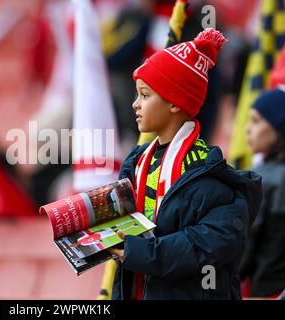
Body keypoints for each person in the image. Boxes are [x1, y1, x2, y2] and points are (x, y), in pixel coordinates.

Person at [107, 28, 262, 300]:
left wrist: (137, 252)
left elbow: (201, 247)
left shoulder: (212, 175)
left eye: (145, 95)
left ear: (174, 103)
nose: (135, 104)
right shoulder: (136, 161)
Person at [240, 88, 285, 298]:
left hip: (264, 291)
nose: (248, 129)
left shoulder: (262, 179)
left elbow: (243, 248)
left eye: (257, 121)